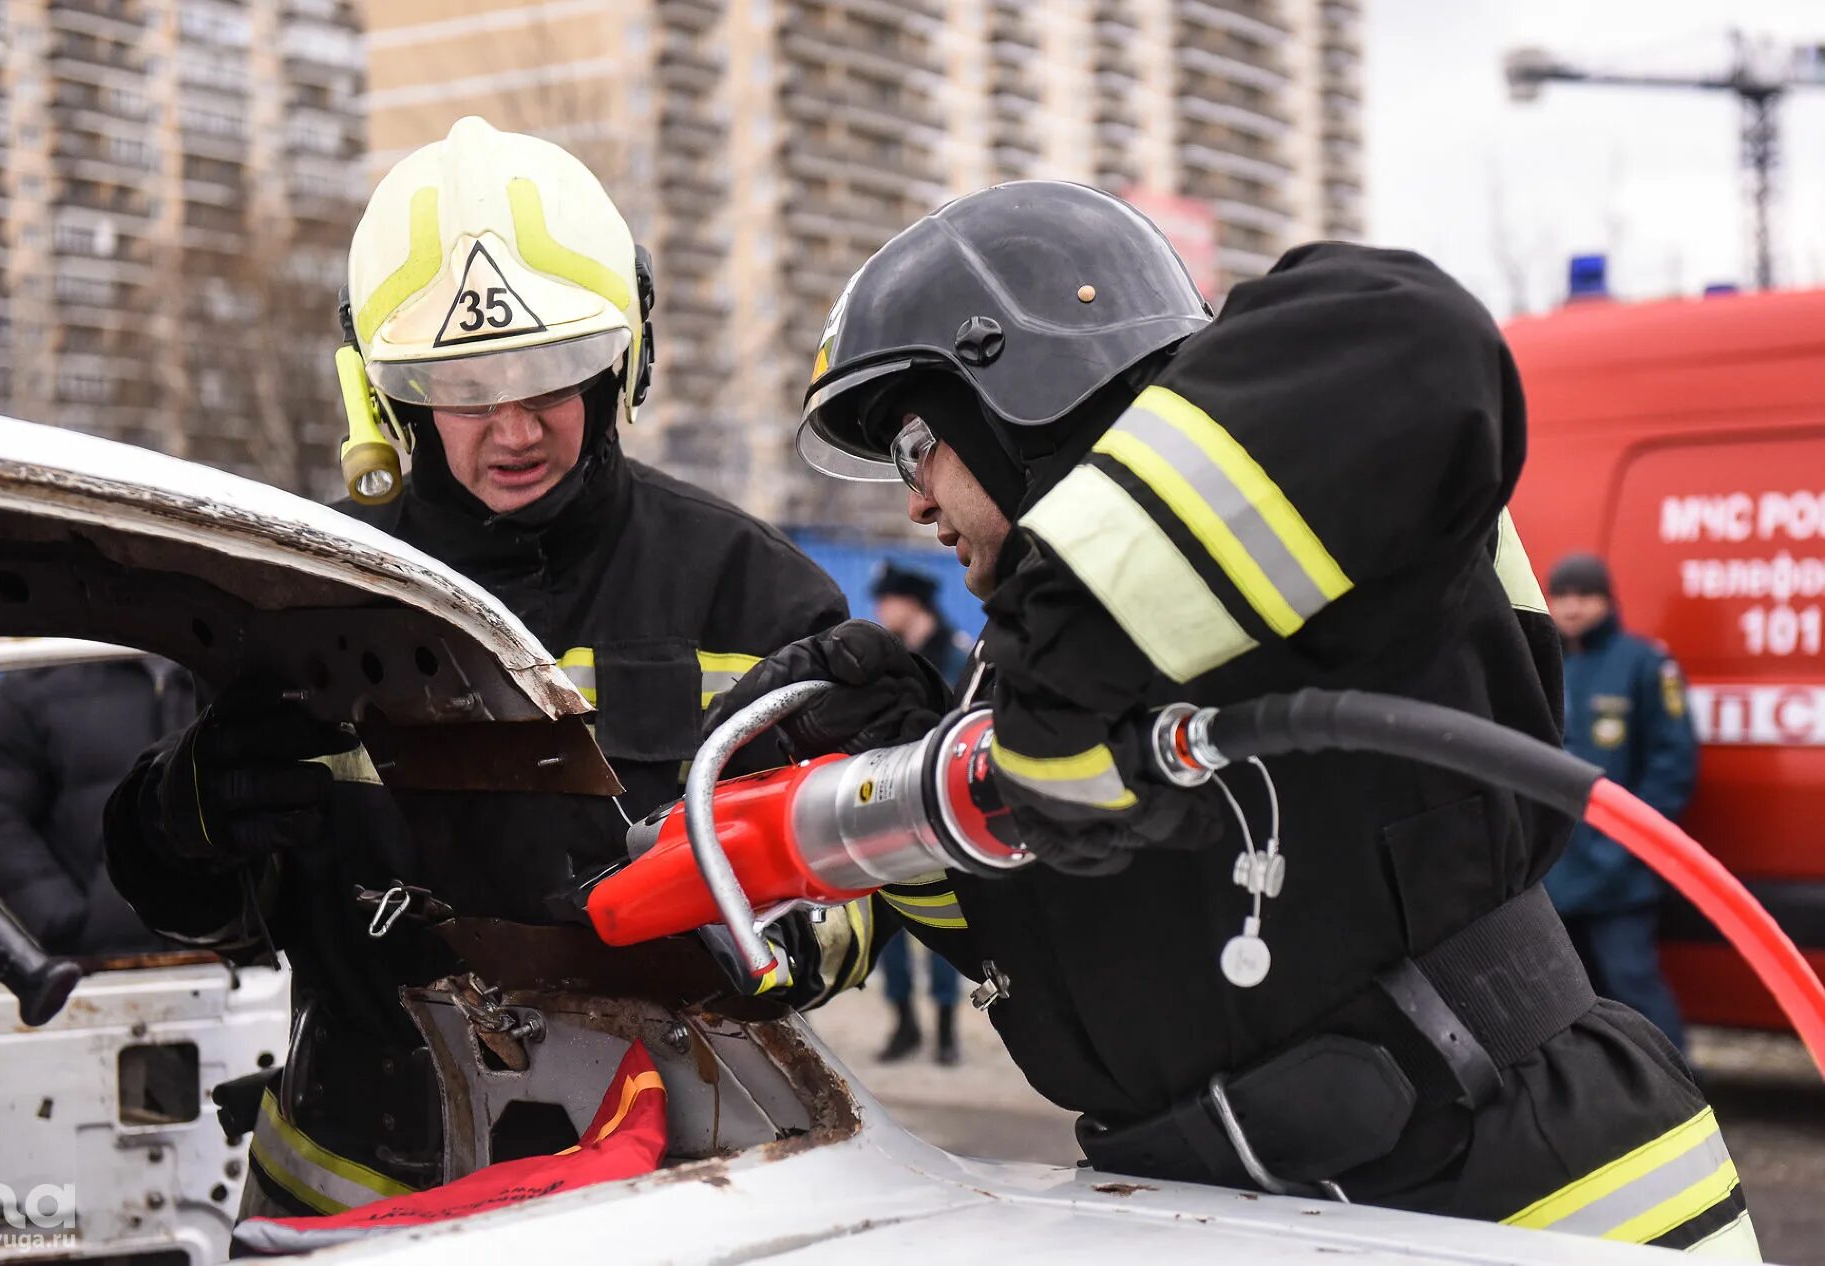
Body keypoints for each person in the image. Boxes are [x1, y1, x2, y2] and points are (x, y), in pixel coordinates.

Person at [714, 182, 1754, 1254]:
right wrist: (908, 795)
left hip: (1523, 1200)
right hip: (1220, 1212)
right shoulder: (1030, 663)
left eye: (914, 447)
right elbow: (1069, 944)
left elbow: (1413, 335)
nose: (915, 503)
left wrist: (1071, 632)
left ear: (1014, 387)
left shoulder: (1306, 493)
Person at [102, 118, 865, 1218]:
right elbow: (195, 919)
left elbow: (851, 897)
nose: (512, 426)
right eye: (460, 386)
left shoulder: (759, 598)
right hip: (356, 1201)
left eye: (550, 373)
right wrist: (180, 824)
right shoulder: (285, 598)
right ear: (386, 394)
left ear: (622, 361)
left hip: (695, 1193)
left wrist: (799, 939)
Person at [1544, 553, 1697, 1052]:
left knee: (1632, 987)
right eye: (1561, 597)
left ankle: (1681, 1093)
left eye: (1584, 597)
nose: (1571, 609)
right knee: (1562, 1002)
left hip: (1622, 873)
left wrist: (1629, 843)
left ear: (1607, 601)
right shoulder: (1542, 664)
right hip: (1557, 871)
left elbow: (1672, 766)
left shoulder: (1645, 664)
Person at [0, 658, 192, 955]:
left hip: (246, 970)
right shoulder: (40, 684)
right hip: (102, 969)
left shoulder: (237, 669)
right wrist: (66, 921)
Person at [869, 561, 967, 1063]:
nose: (879, 611)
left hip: (943, 818)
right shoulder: (893, 659)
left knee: (948, 925)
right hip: (892, 812)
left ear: (913, 603)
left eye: (887, 601)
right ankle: (904, 1024)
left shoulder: (958, 658)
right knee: (890, 923)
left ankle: (947, 1030)